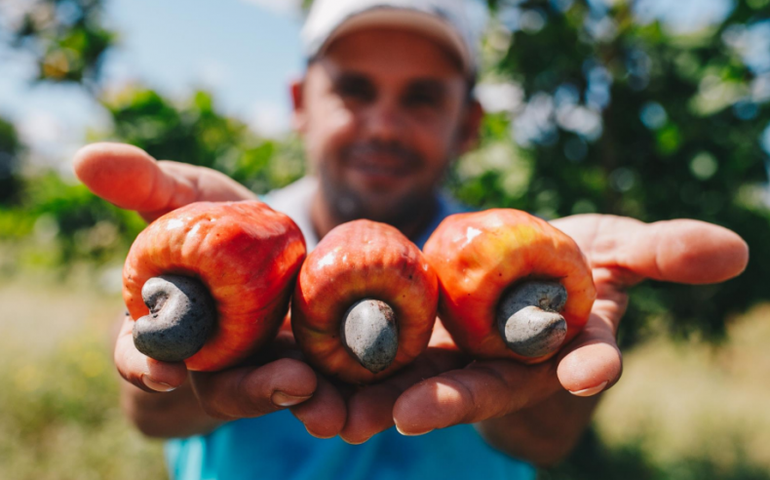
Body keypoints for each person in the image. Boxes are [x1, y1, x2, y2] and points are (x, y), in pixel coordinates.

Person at [72, 0, 749, 478]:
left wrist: (548, 368)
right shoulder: (233, 231)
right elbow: (148, 412)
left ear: (469, 123)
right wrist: (178, 363)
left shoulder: (502, 250)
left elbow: (543, 445)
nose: (384, 125)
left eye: (422, 97)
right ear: (301, 102)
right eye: (355, 90)